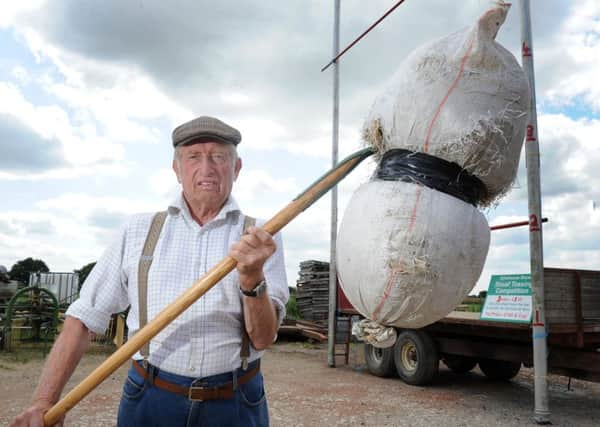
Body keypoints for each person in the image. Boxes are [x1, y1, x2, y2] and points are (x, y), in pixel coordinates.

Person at [11, 116, 289, 427]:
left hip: (234, 401)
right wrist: (45, 401)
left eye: (219, 156)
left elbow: (263, 338)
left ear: (236, 169)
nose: (207, 167)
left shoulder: (261, 236)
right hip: (150, 398)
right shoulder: (139, 230)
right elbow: (83, 318)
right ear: (177, 169)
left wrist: (252, 280)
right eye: (194, 156)